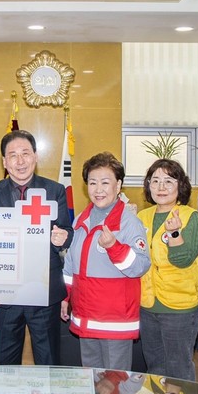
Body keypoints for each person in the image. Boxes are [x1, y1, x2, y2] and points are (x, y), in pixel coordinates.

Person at [0, 130, 73, 365]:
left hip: (44, 291)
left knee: (48, 361)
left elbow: (67, 231)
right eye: (13, 155)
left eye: (25, 153)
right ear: (4, 161)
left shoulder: (54, 191)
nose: (20, 161)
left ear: (36, 156)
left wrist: (63, 238)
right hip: (6, 294)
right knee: (6, 365)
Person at [61, 152, 150, 370]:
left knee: (115, 383)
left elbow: (140, 266)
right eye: (92, 183)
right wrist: (65, 296)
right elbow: (70, 265)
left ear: (118, 185)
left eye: (105, 182)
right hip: (85, 316)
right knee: (91, 380)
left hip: (114, 321)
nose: (98, 189)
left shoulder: (129, 223)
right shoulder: (81, 220)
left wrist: (114, 248)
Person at [136, 159, 198, 381]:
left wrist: (174, 234)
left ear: (180, 185)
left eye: (168, 181)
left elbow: (183, 260)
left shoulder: (191, 216)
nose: (161, 187)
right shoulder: (142, 217)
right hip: (148, 304)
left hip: (179, 307)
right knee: (154, 367)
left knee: (178, 369)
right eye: (155, 181)